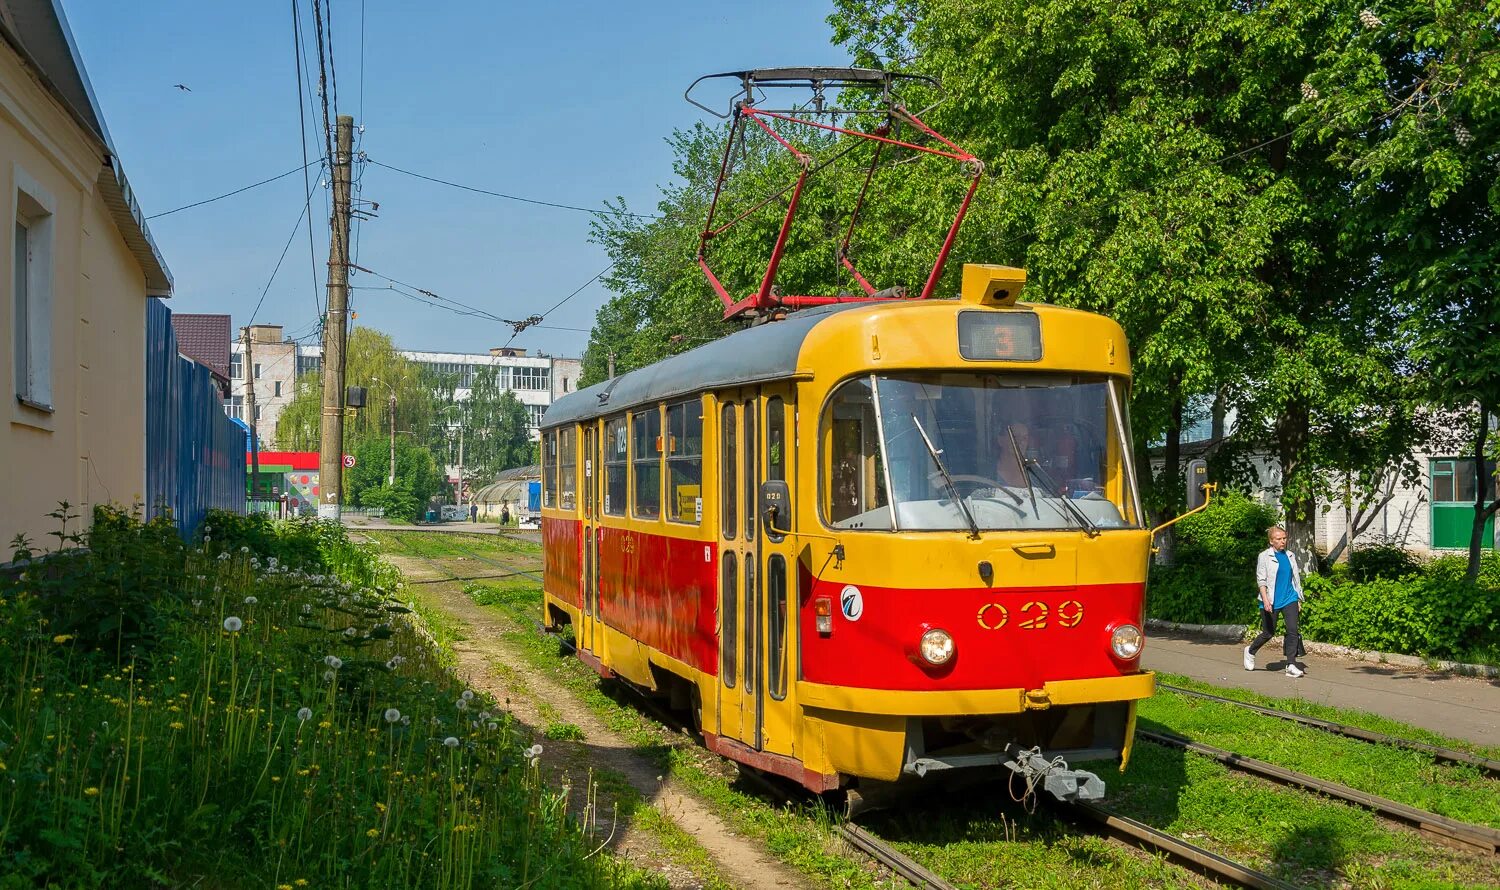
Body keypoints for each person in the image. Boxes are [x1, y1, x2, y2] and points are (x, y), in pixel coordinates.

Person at [1245, 526, 1306, 677]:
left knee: (1292, 630)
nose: (1282, 541)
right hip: (1271, 600)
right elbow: (1261, 580)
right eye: (1278, 539)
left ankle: (1291, 664)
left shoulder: (1290, 555)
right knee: (1268, 633)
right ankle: (1250, 651)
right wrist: (1265, 600)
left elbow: (1295, 579)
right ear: (1271, 541)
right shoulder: (1264, 556)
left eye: (1284, 538)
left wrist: (1298, 598)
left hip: (1289, 598)